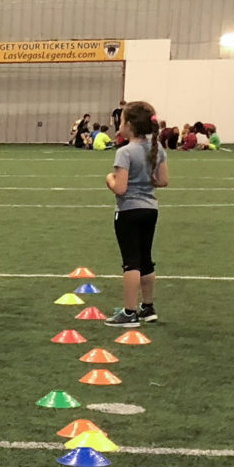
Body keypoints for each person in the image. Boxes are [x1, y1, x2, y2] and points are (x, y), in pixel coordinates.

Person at [103, 99, 165, 330]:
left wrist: (109, 179)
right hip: (151, 209)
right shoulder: (157, 150)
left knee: (131, 263)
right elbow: (163, 180)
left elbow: (120, 187)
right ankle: (147, 307)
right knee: (146, 259)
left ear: (128, 124)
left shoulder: (125, 152)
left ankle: (129, 312)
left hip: (129, 211)